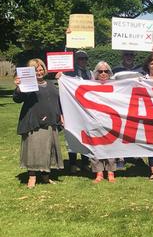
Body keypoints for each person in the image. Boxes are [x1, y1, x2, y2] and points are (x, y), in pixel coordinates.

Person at [13, 59, 64, 188]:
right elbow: (17, 99)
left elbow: (58, 101)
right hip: (34, 122)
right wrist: (19, 88)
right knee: (34, 150)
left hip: (51, 122)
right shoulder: (28, 85)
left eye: (41, 69)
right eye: (36, 70)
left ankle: (46, 176)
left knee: (48, 150)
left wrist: (61, 116)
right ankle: (32, 177)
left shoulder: (52, 84)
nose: (39, 72)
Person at [62, 50, 93, 173]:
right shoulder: (68, 73)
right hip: (72, 107)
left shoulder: (90, 73)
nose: (83, 61)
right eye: (80, 58)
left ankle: (85, 162)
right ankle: (73, 164)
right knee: (72, 135)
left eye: (85, 59)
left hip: (85, 109)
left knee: (86, 135)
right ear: (76, 60)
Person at [89, 61, 118, 183]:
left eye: (106, 71)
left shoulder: (117, 85)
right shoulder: (88, 85)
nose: (103, 74)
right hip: (94, 119)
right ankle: (99, 173)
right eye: (100, 71)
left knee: (111, 146)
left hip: (111, 120)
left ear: (110, 73)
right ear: (96, 73)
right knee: (95, 146)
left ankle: (110, 172)